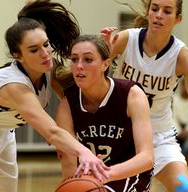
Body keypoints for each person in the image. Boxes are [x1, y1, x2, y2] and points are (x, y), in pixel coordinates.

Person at [0, 1, 109, 192]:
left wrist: (104, 52)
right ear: (17, 56)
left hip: (1, 135)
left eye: (46, 45)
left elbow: (77, 101)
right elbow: (51, 132)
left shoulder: (48, 67)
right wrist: (84, 152)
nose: (45, 54)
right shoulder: (14, 86)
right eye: (34, 50)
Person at [100, 0, 188, 191]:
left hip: (158, 136)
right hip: (118, 132)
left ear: (178, 19)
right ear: (148, 12)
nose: (159, 15)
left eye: (167, 11)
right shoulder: (126, 39)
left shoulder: (182, 56)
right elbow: (93, 77)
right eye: (155, 9)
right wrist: (100, 56)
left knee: (184, 189)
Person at [56, 34, 154, 192]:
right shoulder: (67, 106)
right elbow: (69, 163)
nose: (79, 65)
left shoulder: (131, 95)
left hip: (130, 173)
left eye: (88, 59)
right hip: (90, 175)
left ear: (105, 64)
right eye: (74, 59)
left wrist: (104, 174)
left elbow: (147, 158)